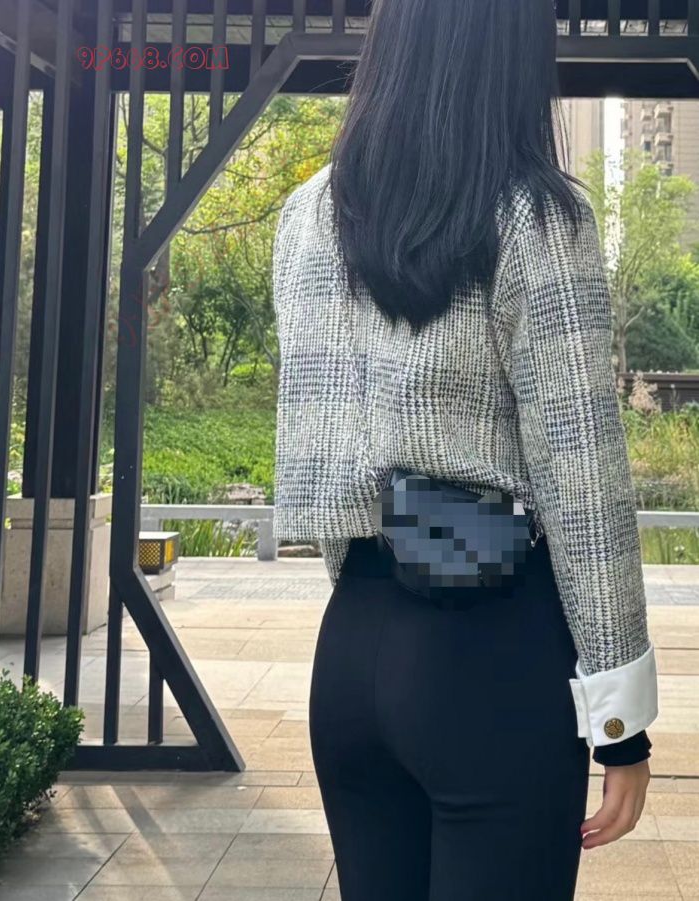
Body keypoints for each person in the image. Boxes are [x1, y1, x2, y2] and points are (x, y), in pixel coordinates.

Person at [271, 1, 659, 898]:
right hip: (492, 650)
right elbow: (584, 480)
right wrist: (620, 725)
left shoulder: (307, 216)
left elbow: (323, 439)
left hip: (352, 649)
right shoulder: (536, 216)